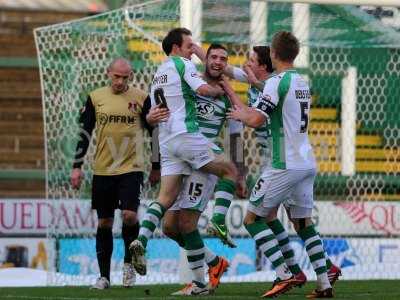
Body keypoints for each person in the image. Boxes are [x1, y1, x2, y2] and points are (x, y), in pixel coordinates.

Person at [129, 28, 238, 296]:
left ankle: (199, 282)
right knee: (170, 227)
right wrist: (150, 117)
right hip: (185, 143)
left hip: (193, 154)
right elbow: (160, 109)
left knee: (182, 222)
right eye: (210, 56)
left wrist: (230, 94)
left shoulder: (163, 72)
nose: (215, 61)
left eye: (222, 60)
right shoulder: (189, 74)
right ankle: (215, 261)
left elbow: (236, 136)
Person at [228, 31, 334, 298]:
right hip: (306, 161)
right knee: (303, 223)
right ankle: (324, 284)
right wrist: (254, 83)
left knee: (252, 219)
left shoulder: (277, 82)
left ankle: (285, 274)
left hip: (283, 162)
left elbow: (257, 120)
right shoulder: (300, 81)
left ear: (273, 54)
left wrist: (242, 113)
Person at [70, 58, 160, 289]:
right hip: (103, 169)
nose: (120, 81)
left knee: (129, 216)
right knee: (105, 222)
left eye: (125, 77)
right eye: (116, 76)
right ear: (108, 73)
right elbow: (85, 132)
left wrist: (156, 166)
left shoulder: (141, 98)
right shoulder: (95, 97)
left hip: (132, 168)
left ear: (130, 76)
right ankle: (104, 277)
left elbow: (155, 133)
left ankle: (129, 265)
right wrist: (76, 167)